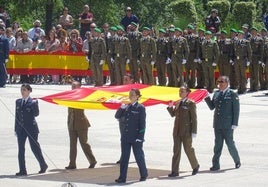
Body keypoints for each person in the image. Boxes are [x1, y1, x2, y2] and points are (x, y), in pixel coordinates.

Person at [204, 75, 241, 171]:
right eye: (218, 82)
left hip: (228, 124)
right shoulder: (216, 93)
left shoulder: (232, 94)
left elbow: (236, 110)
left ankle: (237, 160)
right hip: (217, 124)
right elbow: (212, 107)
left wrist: (235, 123)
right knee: (217, 145)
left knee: (230, 144)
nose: (219, 84)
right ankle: (215, 165)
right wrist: (206, 97)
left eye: (221, 82)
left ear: (227, 83)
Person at [115, 88, 148, 183]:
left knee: (139, 157)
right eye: (129, 94)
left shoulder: (140, 108)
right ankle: (122, 177)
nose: (130, 96)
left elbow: (142, 124)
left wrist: (140, 137)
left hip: (136, 137)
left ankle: (144, 174)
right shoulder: (127, 106)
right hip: (125, 137)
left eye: (132, 94)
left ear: (137, 96)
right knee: (124, 158)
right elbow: (117, 116)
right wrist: (121, 107)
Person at [15, 84, 48, 176]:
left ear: (29, 91)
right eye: (21, 90)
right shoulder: (18, 101)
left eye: (24, 90)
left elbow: (36, 114)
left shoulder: (33, 102)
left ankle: (43, 165)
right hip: (21, 129)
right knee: (21, 149)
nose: (22, 92)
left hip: (31, 128)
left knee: (34, 148)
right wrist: (16, 129)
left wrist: (34, 105)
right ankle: (22, 170)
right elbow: (17, 117)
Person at [167, 85, 200, 177]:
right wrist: (170, 107)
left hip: (186, 131)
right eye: (179, 91)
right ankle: (175, 171)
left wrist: (194, 131)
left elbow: (194, 118)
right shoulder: (178, 103)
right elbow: (173, 114)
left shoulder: (191, 103)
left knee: (188, 150)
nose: (180, 93)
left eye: (182, 91)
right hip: (177, 131)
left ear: (187, 93)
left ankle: (195, 166)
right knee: (176, 151)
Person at [65, 81, 97, 170]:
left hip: (81, 123)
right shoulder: (69, 97)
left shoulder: (82, 96)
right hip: (72, 124)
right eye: (72, 86)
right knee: (72, 145)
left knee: (84, 143)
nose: (73, 88)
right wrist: (68, 123)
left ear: (80, 87)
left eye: (75, 86)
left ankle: (92, 160)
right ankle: (72, 163)